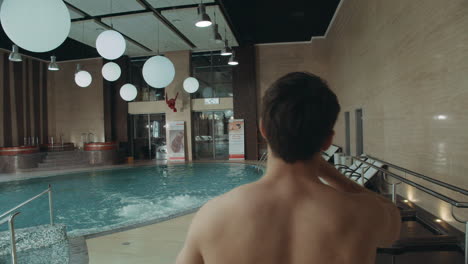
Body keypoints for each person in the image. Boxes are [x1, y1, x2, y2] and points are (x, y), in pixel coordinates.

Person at [175, 72, 401, 264]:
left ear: (263, 129)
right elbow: (392, 222)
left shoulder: (212, 216)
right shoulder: (362, 213)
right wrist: (334, 176)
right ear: (327, 140)